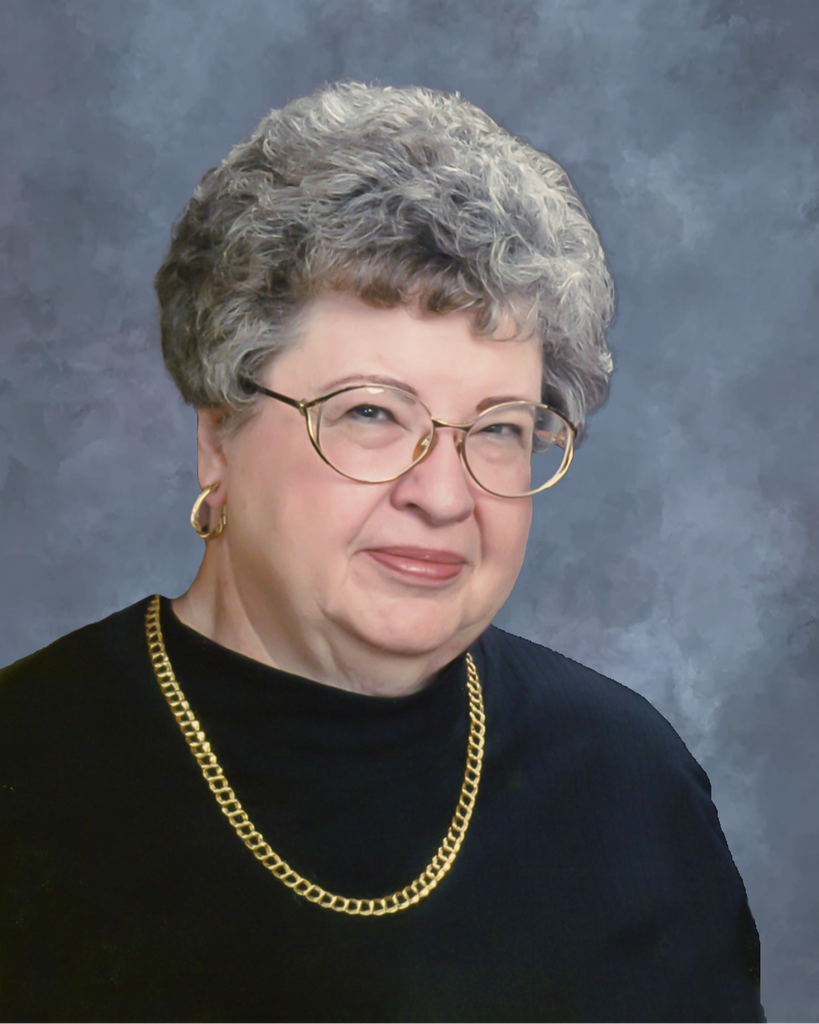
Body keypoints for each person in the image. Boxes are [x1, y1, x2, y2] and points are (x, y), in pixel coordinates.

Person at [0, 79, 765, 1023]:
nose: (442, 496)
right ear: (218, 437)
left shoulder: (627, 780)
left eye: (497, 429)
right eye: (370, 414)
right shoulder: (24, 771)